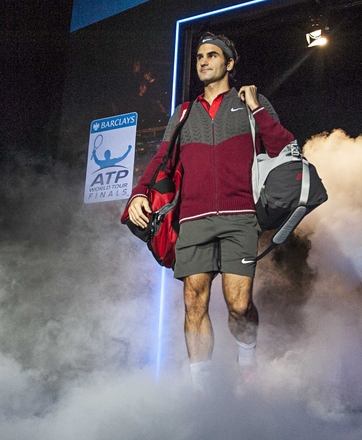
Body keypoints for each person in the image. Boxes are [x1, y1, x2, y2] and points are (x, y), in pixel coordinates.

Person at [126, 32, 294, 391]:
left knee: (238, 304)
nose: (203, 61)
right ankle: (201, 394)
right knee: (193, 302)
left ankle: (246, 356)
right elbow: (162, 159)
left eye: (212, 55)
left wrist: (257, 108)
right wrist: (139, 193)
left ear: (229, 63)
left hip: (239, 216)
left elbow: (284, 147)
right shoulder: (185, 113)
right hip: (193, 219)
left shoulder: (251, 102)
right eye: (200, 56)